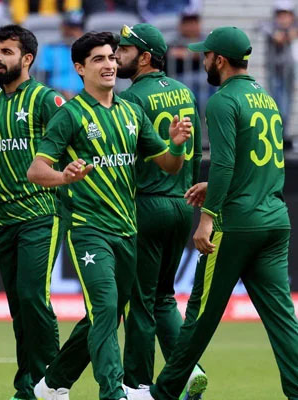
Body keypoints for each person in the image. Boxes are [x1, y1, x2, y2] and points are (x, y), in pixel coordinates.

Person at [126, 26, 298, 400]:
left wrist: (207, 217)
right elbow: (262, 162)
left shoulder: (223, 101)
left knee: (198, 318)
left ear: (219, 60)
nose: (203, 61)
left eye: (206, 55)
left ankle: (164, 392)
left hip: (236, 224)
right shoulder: (266, 99)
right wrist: (216, 187)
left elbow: (223, 162)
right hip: (274, 219)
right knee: (283, 320)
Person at [26, 31, 192, 400]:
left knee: (106, 314)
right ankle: (113, 392)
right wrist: (64, 177)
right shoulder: (70, 115)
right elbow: (36, 170)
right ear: (79, 68)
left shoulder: (132, 112)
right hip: (88, 229)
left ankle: (52, 384)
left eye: (112, 58)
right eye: (99, 59)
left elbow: (168, 165)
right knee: (104, 310)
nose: (109, 65)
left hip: (127, 230)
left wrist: (177, 145)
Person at [0, 24, 67, 400]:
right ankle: (27, 388)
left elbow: (70, 147)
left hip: (41, 212)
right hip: (5, 218)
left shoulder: (46, 100)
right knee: (19, 307)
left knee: (32, 296)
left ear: (27, 59)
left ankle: (51, 384)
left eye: (6, 52)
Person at [115, 23, 206, 396]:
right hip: (182, 203)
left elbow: (125, 159)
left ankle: (136, 385)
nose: (116, 56)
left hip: (146, 203)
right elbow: (195, 153)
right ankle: (189, 370)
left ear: (144, 58)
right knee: (164, 297)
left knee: (140, 302)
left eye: (124, 50)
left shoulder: (131, 99)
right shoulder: (185, 92)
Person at [262, 0, 298, 147]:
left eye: (286, 15)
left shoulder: (293, 28)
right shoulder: (270, 27)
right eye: (281, 15)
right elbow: (265, 28)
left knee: (286, 105)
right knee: (276, 104)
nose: (283, 18)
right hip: (274, 73)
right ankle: (276, 134)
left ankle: (283, 135)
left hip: (288, 73)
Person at [36, 12, 85, 100]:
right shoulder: (50, 48)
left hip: (85, 96)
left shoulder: (89, 51)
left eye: (77, 28)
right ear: (63, 27)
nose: (73, 32)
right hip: (56, 97)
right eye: (70, 27)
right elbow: (41, 79)